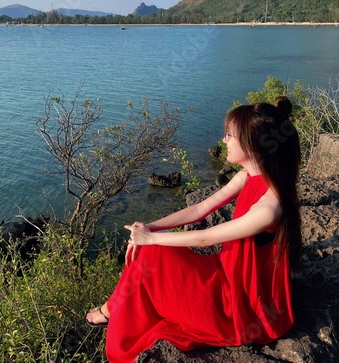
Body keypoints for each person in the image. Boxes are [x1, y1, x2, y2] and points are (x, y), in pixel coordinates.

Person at [86, 96, 302, 363]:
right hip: (224, 273)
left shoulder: (269, 207)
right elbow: (201, 209)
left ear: (254, 145)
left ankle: (111, 309)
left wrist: (151, 239)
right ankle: (111, 307)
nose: (223, 141)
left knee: (148, 252)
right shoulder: (247, 176)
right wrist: (152, 227)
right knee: (147, 251)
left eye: (229, 135)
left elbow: (204, 237)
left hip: (236, 305)